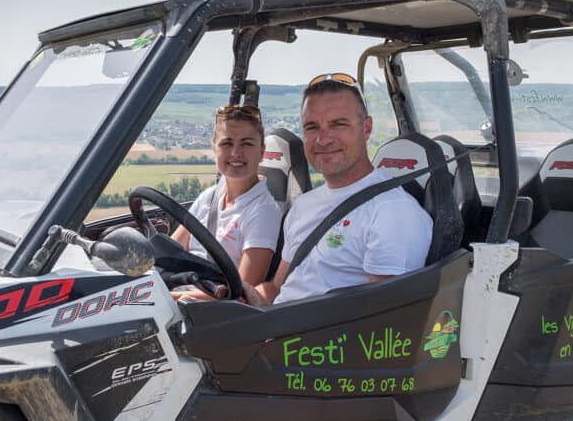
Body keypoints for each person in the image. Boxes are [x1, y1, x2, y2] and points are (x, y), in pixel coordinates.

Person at [243, 73, 432, 306]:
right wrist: (239, 300)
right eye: (312, 127)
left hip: (317, 329)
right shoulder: (304, 205)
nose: (323, 140)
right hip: (277, 323)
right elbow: (276, 290)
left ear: (366, 128)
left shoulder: (392, 211)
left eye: (338, 124)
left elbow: (384, 318)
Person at [172, 104, 282, 290]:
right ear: (214, 149)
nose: (236, 153)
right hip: (180, 289)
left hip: (207, 304)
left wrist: (172, 297)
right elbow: (170, 251)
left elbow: (242, 293)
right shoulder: (209, 197)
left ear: (261, 152)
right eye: (227, 143)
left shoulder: (263, 211)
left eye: (247, 144)